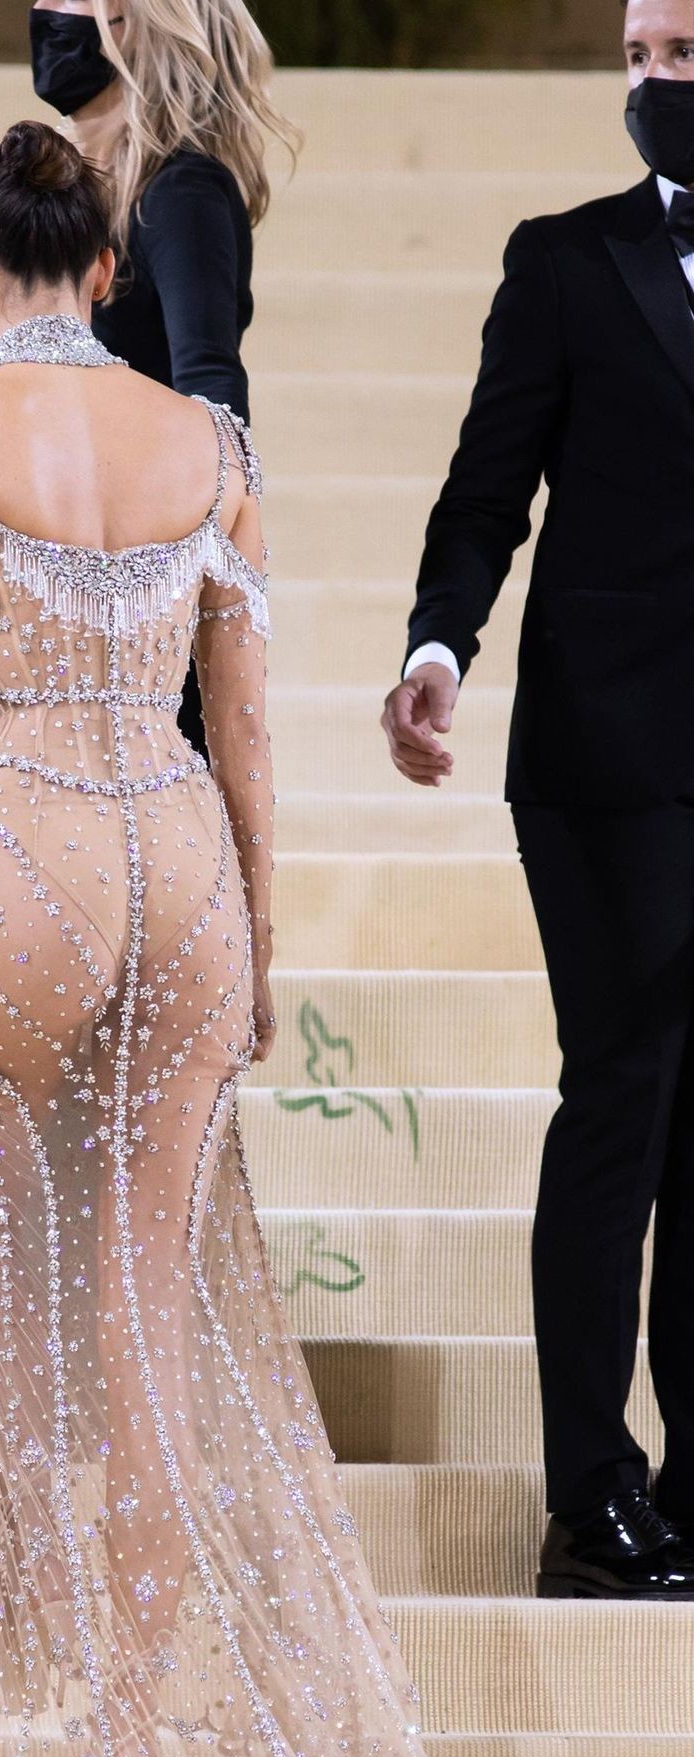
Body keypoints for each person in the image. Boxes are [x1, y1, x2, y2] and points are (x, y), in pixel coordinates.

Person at [0, 118, 519, 1757]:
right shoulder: (211, 444)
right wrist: (266, 947)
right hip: (184, 859)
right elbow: (253, 733)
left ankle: (3, 1737)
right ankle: (136, 1737)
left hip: (18, 852)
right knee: (151, 1314)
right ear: (110, 271)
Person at [382, 0, 694, 1600]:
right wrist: (440, 645)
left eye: (680, 53)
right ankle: (592, 1498)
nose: (652, 82)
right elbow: (488, 483)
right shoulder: (568, 261)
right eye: (637, 55)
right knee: (624, 1098)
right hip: (603, 758)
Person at [29, 0, 298, 757]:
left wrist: (192, 588)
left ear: (134, 24)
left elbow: (211, 392)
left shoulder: (181, 192)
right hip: (68, 566)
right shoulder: (75, 197)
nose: (46, 13)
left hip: (140, 582)